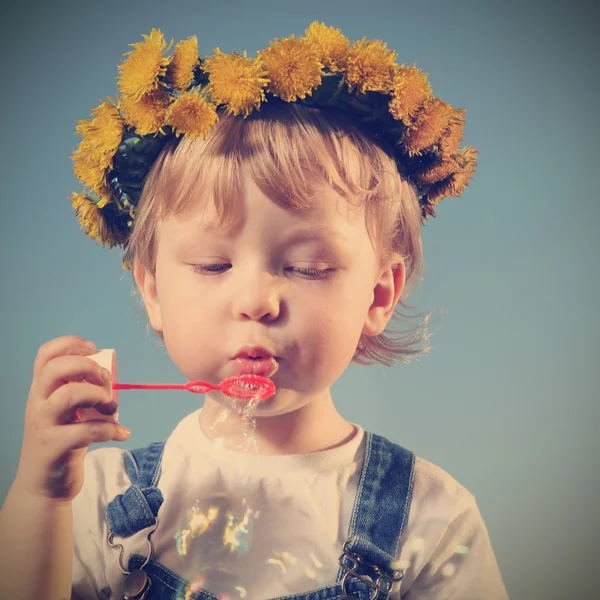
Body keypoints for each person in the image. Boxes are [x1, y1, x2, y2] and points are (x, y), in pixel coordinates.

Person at [0, 23, 509, 600]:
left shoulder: (431, 518)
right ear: (153, 290)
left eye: (309, 268)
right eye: (213, 266)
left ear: (378, 296)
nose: (256, 302)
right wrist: (40, 502)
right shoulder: (94, 498)